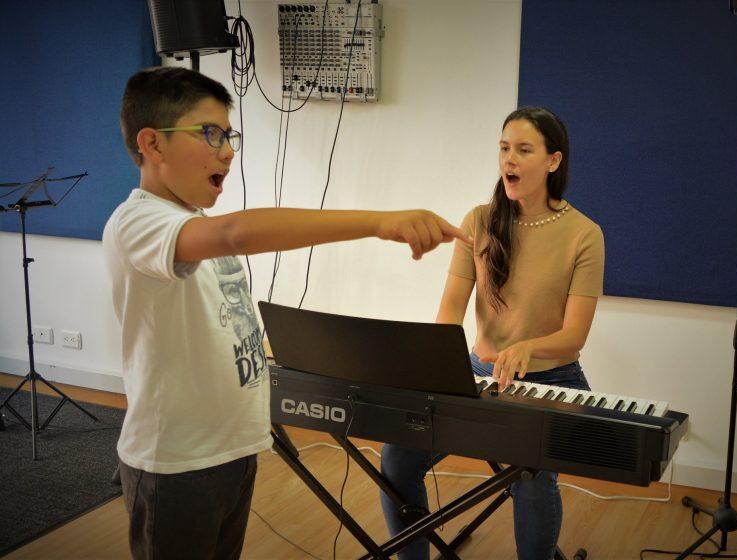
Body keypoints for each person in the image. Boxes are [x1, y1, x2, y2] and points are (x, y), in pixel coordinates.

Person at [103, 66, 470, 560]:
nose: (227, 150)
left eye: (229, 135)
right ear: (152, 144)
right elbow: (238, 232)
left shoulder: (190, 221)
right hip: (175, 465)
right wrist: (380, 222)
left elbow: (216, 321)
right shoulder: (138, 222)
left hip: (230, 452)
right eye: (209, 133)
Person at [379, 107, 604, 560]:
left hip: (551, 380)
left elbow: (574, 336)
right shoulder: (479, 221)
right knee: (398, 458)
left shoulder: (585, 234)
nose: (509, 160)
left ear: (553, 162)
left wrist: (527, 346)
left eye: (523, 150)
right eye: (504, 149)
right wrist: (436, 366)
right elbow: (448, 315)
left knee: (531, 476)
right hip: (478, 373)